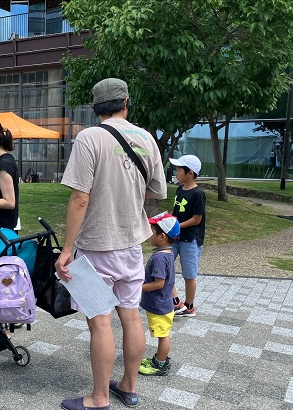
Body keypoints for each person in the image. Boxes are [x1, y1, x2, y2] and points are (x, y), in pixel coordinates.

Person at [55, 78, 167, 410]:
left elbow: (79, 199)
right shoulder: (146, 137)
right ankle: (128, 387)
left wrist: (65, 250)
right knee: (131, 315)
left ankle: (99, 398)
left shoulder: (89, 137)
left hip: (95, 246)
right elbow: (156, 190)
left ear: (95, 107)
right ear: (126, 102)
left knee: (100, 321)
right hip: (133, 244)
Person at [137, 213, 179, 377]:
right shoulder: (167, 253)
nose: (149, 234)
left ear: (162, 236)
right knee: (163, 334)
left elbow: (159, 283)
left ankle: (160, 365)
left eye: (152, 231)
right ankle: (158, 359)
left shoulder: (160, 258)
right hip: (162, 303)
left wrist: (138, 288)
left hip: (159, 305)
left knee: (163, 336)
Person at [169, 155, 206, 318]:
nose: (176, 172)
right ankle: (176, 302)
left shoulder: (198, 194)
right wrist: (167, 221)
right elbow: (175, 212)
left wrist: (176, 226)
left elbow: (197, 219)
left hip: (190, 239)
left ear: (190, 173)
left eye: (178, 169)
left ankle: (189, 307)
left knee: (189, 274)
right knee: (164, 266)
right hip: (175, 238)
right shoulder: (179, 189)